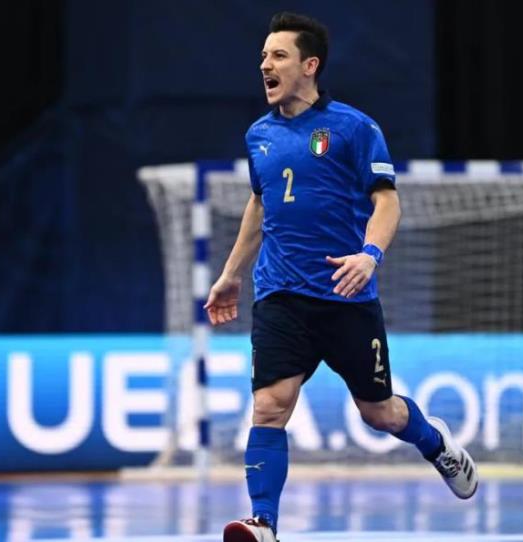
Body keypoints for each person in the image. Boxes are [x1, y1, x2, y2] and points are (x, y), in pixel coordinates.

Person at [204, 12, 478, 542]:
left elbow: (387, 202)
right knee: (269, 406)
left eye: (278, 55)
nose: (265, 65)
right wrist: (232, 274)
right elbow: (260, 205)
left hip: (344, 294)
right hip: (280, 294)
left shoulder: (354, 128)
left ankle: (436, 444)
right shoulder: (258, 135)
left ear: (309, 66)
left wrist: (370, 255)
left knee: (380, 413)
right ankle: (264, 523)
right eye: (263, 56)